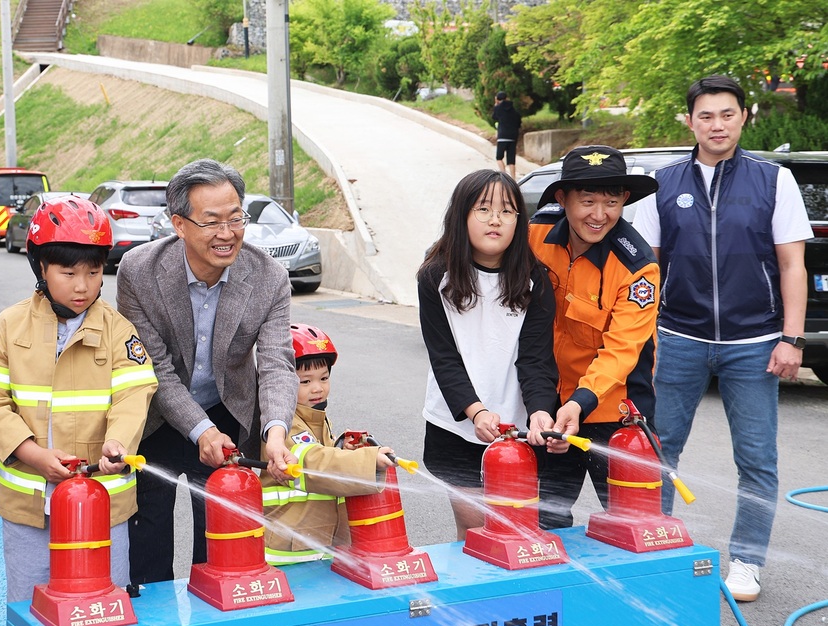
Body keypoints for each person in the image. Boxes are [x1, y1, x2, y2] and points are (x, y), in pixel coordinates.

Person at [633, 74, 813, 602]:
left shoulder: (773, 179)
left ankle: (748, 562)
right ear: (689, 121)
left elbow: (792, 264)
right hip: (678, 337)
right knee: (658, 450)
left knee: (757, 459)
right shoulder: (662, 183)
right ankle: (655, 548)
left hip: (755, 343)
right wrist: (647, 339)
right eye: (706, 115)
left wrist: (792, 339)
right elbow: (645, 269)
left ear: (743, 117)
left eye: (727, 114)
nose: (717, 124)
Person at [117, 158, 299, 586]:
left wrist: (275, 432)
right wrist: (199, 430)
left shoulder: (269, 277)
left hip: (227, 410)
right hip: (155, 416)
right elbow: (154, 367)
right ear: (179, 224)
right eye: (212, 221)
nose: (227, 233)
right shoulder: (139, 272)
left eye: (236, 218)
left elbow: (276, 361)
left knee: (221, 540)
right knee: (148, 533)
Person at [0, 195, 158, 602]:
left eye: (93, 271)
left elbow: (135, 394)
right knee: (29, 602)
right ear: (41, 267)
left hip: (102, 502)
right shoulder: (7, 326)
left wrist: (117, 444)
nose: (82, 285)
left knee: (104, 603)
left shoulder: (119, 330)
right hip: (30, 506)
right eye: (68, 271)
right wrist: (33, 455)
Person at [418, 168, 559, 541]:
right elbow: (443, 356)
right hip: (458, 424)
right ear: (461, 216)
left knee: (516, 531)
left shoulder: (536, 279)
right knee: (474, 527)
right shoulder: (435, 277)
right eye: (483, 209)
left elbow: (536, 359)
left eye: (507, 211)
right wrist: (475, 411)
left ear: (519, 221)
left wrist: (542, 411)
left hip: (519, 428)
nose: (495, 219)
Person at [527, 145, 660, 531]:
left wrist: (579, 404)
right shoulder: (535, 233)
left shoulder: (638, 267)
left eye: (612, 202)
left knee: (633, 524)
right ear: (562, 199)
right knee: (544, 517)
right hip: (549, 404)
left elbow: (622, 352)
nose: (599, 215)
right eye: (587, 201)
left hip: (614, 413)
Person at [259, 322, 397, 564]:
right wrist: (367, 460)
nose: (318, 388)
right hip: (288, 552)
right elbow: (312, 463)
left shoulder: (315, 416)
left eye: (323, 378)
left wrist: (340, 448)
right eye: (305, 381)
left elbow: (323, 454)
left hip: (313, 543)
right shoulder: (283, 424)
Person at [493, 91, 521, 180]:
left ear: (497, 99)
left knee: (499, 157)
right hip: (513, 137)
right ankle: (513, 179)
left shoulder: (498, 108)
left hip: (502, 136)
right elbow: (518, 123)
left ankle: (504, 177)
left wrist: (495, 105)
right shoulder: (514, 110)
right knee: (511, 160)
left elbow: (494, 117)